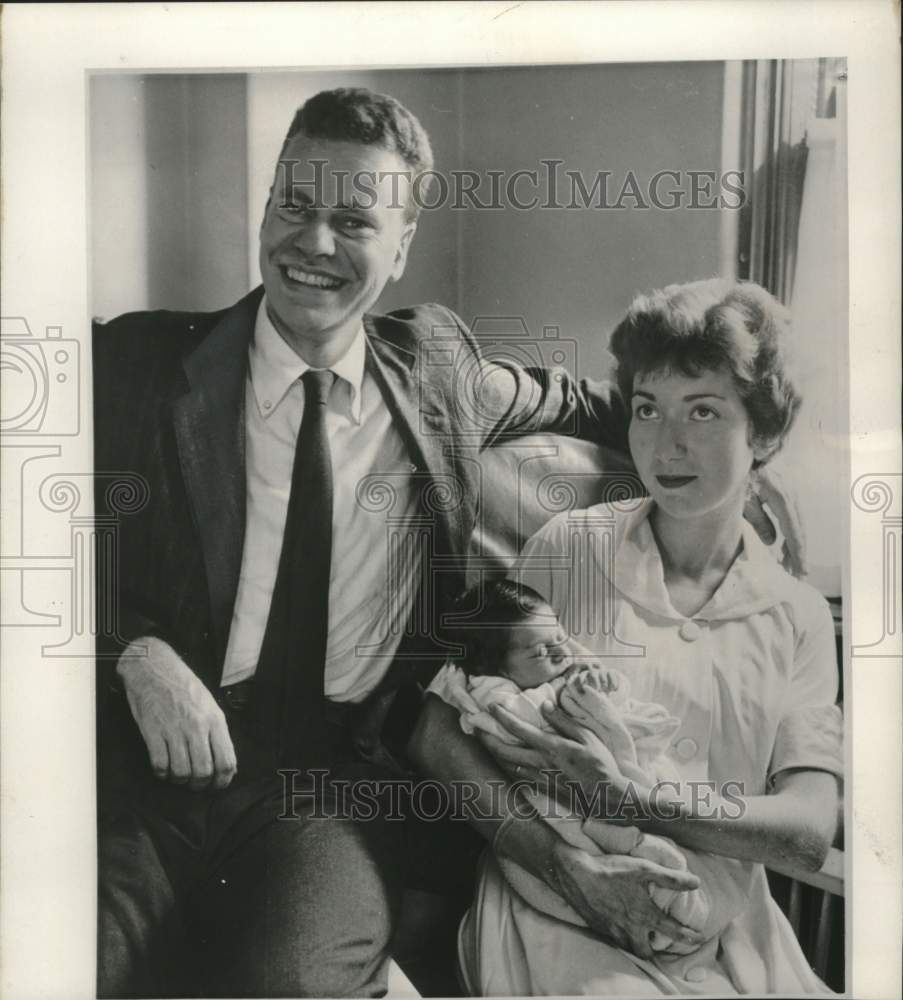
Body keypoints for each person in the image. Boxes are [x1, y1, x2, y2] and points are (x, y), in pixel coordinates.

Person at [92, 86, 645, 998]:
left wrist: (729, 462)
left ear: (401, 247)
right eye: (294, 205)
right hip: (135, 778)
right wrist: (133, 653)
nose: (312, 242)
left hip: (326, 790)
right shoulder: (137, 365)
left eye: (352, 221)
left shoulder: (438, 368)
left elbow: (592, 403)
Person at [438, 278, 843, 995]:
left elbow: (809, 832)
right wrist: (566, 866)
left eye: (703, 411)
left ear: (763, 433)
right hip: (559, 906)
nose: (665, 443)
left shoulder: (797, 614)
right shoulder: (568, 548)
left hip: (728, 926)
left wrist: (633, 800)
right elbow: (447, 727)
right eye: (647, 409)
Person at [430, 579, 750, 985]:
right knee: (604, 846)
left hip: (620, 779)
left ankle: (680, 897)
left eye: (560, 637)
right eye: (541, 650)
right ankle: (664, 902)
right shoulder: (495, 693)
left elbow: (614, 699)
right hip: (553, 803)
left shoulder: (564, 666)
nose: (561, 651)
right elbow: (514, 718)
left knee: (665, 819)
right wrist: (572, 696)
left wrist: (601, 684)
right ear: (496, 666)